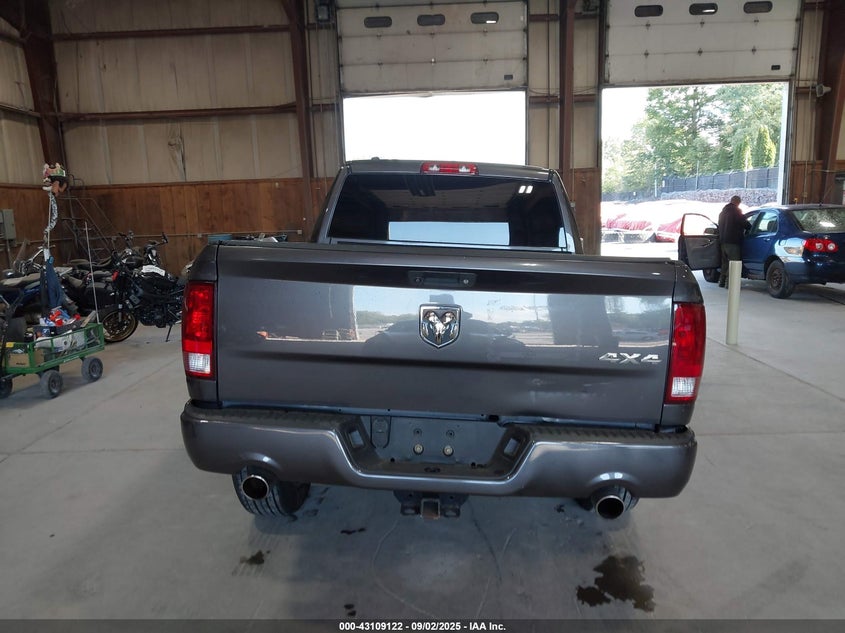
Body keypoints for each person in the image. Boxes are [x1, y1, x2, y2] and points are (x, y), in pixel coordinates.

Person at [717, 195, 751, 288]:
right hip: (733, 242)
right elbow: (745, 224)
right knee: (734, 263)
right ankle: (729, 283)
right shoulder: (736, 212)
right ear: (738, 202)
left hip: (723, 242)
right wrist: (750, 227)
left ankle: (721, 281)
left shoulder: (722, 212)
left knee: (725, 263)